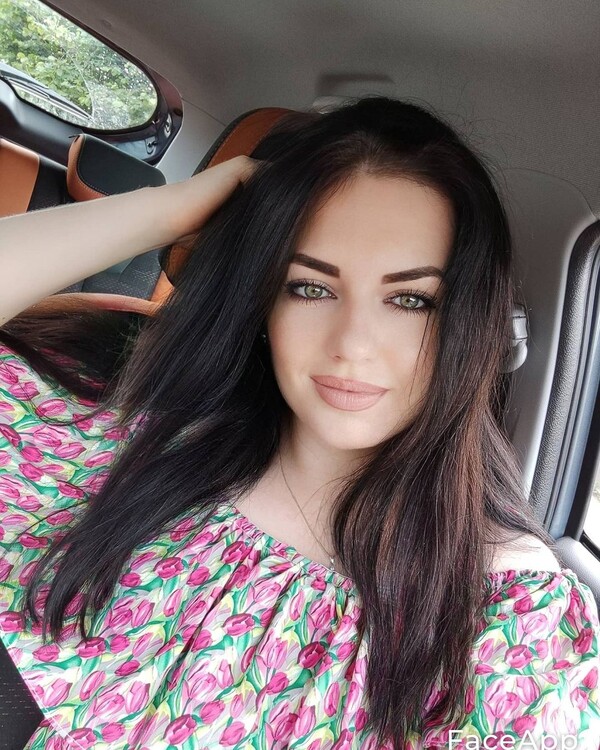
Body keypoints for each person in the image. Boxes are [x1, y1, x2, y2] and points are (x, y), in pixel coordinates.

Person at [0, 96, 598, 750]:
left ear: (471, 324)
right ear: (264, 302)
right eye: (311, 287)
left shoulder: (508, 619)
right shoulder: (135, 446)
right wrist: (174, 209)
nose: (353, 345)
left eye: (410, 299)